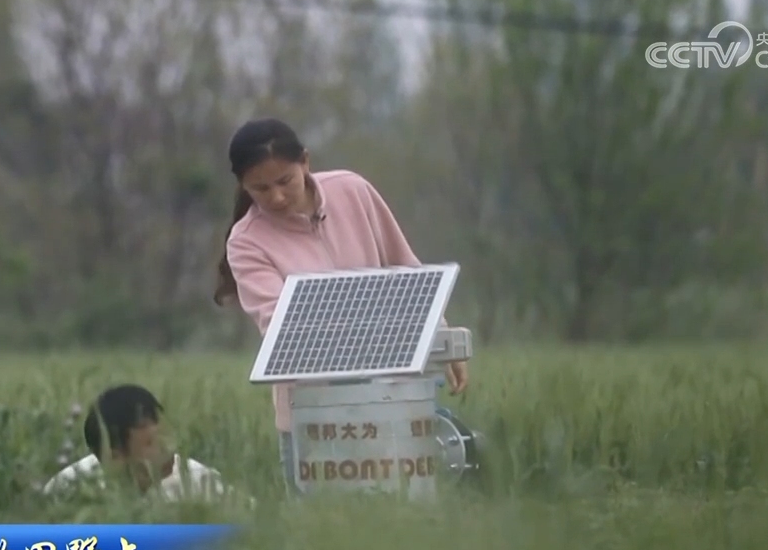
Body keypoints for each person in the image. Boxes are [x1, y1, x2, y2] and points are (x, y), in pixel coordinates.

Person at [213, 117, 470, 494]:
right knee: (321, 538)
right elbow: (281, 327)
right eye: (260, 189)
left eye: (285, 181)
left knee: (407, 524)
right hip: (314, 415)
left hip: (393, 401)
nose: (278, 198)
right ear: (243, 186)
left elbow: (407, 272)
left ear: (305, 162)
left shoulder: (353, 191)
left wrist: (442, 339)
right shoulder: (246, 242)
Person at [40, 384, 229, 502]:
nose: (169, 449)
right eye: (151, 443)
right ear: (114, 455)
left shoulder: (201, 483)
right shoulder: (68, 488)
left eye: (166, 436)